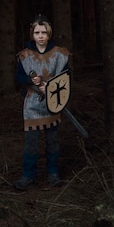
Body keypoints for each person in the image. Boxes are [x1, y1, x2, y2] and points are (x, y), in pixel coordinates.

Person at [13, 16, 70, 191]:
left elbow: (67, 76)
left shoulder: (59, 54)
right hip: (32, 105)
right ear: (33, 34)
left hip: (53, 103)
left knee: (52, 141)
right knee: (31, 143)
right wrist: (31, 80)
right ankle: (28, 176)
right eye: (37, 32)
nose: (40, 36)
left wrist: (52, 87)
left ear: (49, 33)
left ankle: (53, 173)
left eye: (44, 32)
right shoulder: (25, 55)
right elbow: (19, 77)